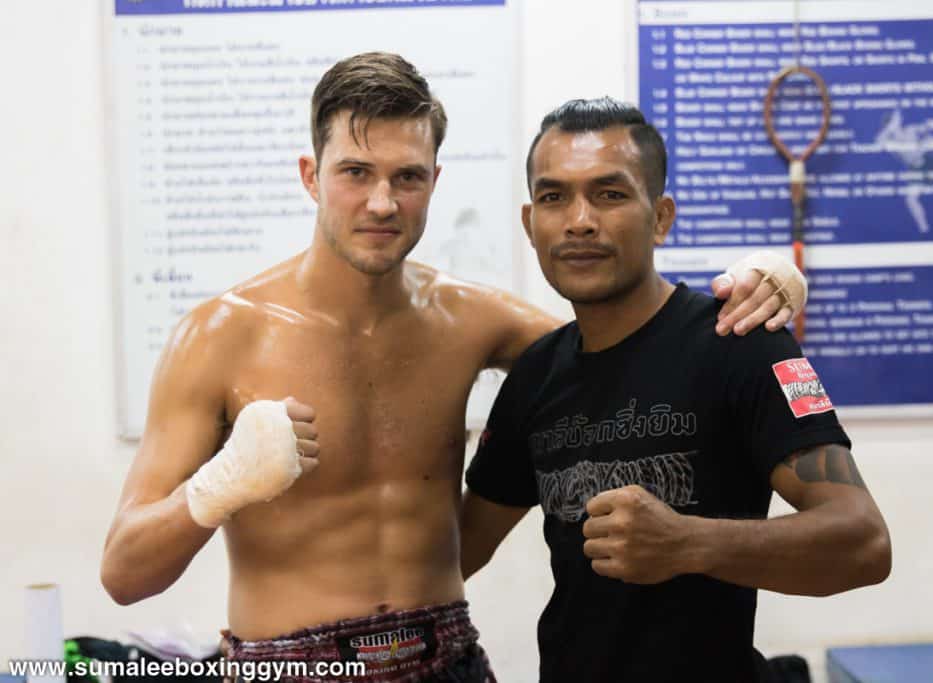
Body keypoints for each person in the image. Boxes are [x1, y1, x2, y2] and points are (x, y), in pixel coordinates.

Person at [100, 53, 807, 682]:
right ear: (311, 175)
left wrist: (753, 286)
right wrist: (218, 486)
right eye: (356, 173)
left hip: (446, 657)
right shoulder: (220, 335)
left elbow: (633, 346)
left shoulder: (473, 321)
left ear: (434, 181)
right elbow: (125, 573)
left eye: (407, 176)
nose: (382, 201)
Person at [460, 98, 892, 683]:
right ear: (529, 221)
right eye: (553, 196)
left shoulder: (739, 343)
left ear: (661, 216)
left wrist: (687, 542)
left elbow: (864, 543)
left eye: (609, 194)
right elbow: (457, 552)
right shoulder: (536, 375)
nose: (579, 220)